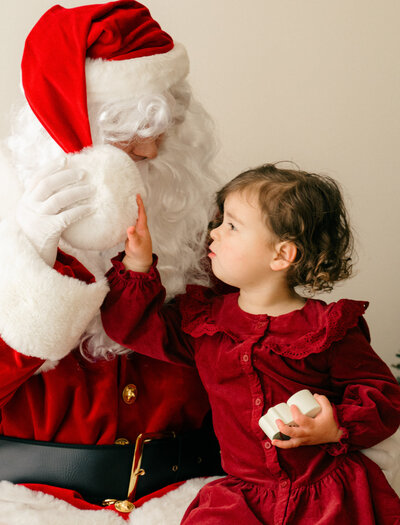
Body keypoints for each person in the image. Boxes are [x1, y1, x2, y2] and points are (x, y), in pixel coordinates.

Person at [0, 0, 225, 525]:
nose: (149, 152)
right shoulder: (10, 238)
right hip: (33, 502)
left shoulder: (211, 235)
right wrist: (32, 268)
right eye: (126, 140)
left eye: (163, 130)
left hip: (194, 500)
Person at [101, 164, 400, 524]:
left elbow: (383, 395)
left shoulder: (328, 328)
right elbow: (132, 328)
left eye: (232, 226)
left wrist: (334, 426)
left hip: (325, 492)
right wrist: (137, 261)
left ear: (281, 255)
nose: (214, 234)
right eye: (220, 222)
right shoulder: (205, 323)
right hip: (243, 496)